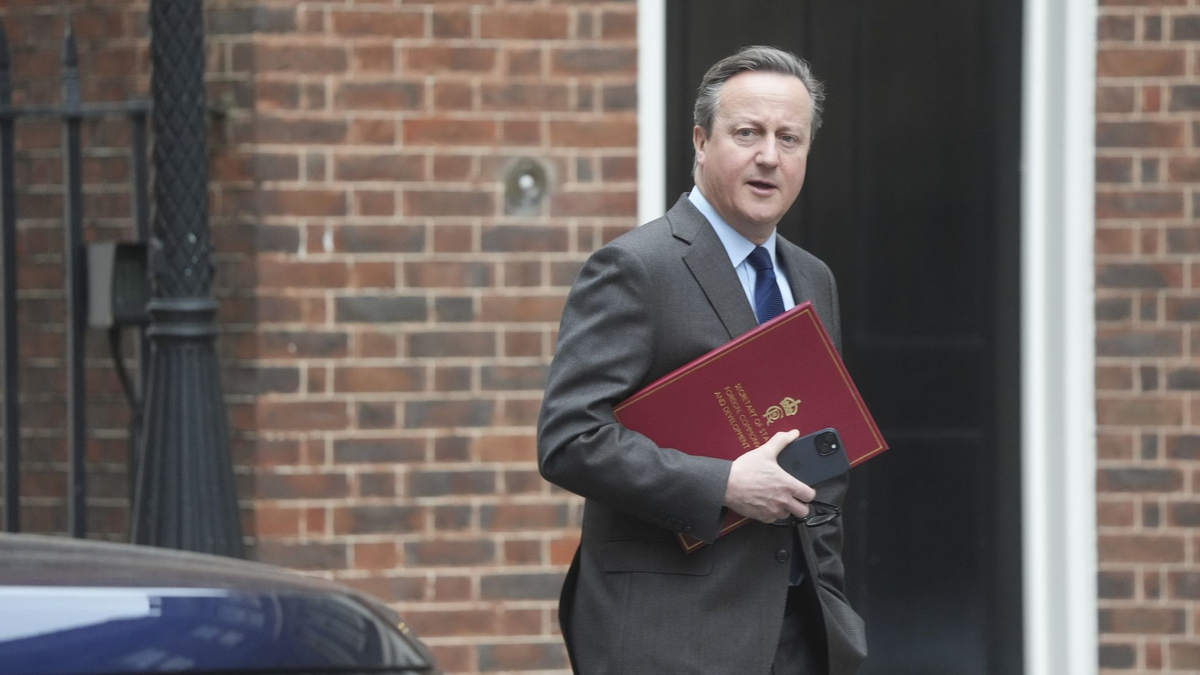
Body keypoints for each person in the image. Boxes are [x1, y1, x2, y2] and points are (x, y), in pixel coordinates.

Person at [537, 46, 867, 674]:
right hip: (671, 636)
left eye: (789, 138)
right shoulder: (636, 268)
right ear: (700, 141)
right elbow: (570, 439)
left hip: (797, 634)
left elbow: (823, 456)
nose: (769, 155)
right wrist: (725, 485)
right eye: (747, 133)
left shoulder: (813, 278)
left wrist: (831, 606)